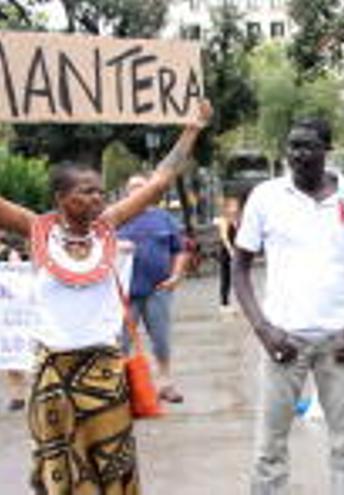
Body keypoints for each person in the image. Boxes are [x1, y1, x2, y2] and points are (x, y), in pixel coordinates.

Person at [0, 101, 210, 494]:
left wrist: (191, 129)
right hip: (53, 373)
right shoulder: (37, 230)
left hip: (104, 369)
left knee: (113, 464)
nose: (97, 199)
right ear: (62, 197)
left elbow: (160, 182)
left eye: (100, 191)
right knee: (61, 467)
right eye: (86, 192)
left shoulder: (107, 227)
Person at [233, 117, 344, 495]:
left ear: (326, 150)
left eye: (307, 146)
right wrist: (264, 330)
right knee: (269, 451)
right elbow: (240, 267)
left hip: (340, 343)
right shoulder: (265, 197)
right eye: (292, 146)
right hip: (283, 343)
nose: (297, 154)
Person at [118, 173, 190, 404]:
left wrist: (176, 275)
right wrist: (118, 246)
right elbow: (98, 248)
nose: (138, 192)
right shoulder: (115, 218)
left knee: (161, 339)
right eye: (133, 188)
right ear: (126, 193)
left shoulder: (164, 219)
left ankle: (165, 384)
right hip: (124, 293)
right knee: (122, 342)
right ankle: (120, 389)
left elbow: (180, 249)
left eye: (143, 187)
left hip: (158, 289)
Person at [0, 235, 26, 412]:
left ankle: (18, 397)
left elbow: (18, 277)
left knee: (12, 354)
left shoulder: (10, 253)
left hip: (9, 311)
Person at [215, 194, 242, 315]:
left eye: (236, 205)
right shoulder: (223, 220)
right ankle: (224, 303)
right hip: (226, 252)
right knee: (225, 278)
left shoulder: (236, 220)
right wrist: (231, 251)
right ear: (227, 208)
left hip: (234, 251)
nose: (236, 208)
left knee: (234, 278)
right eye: (233, 206)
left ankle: (233, 303)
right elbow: (225, 238)